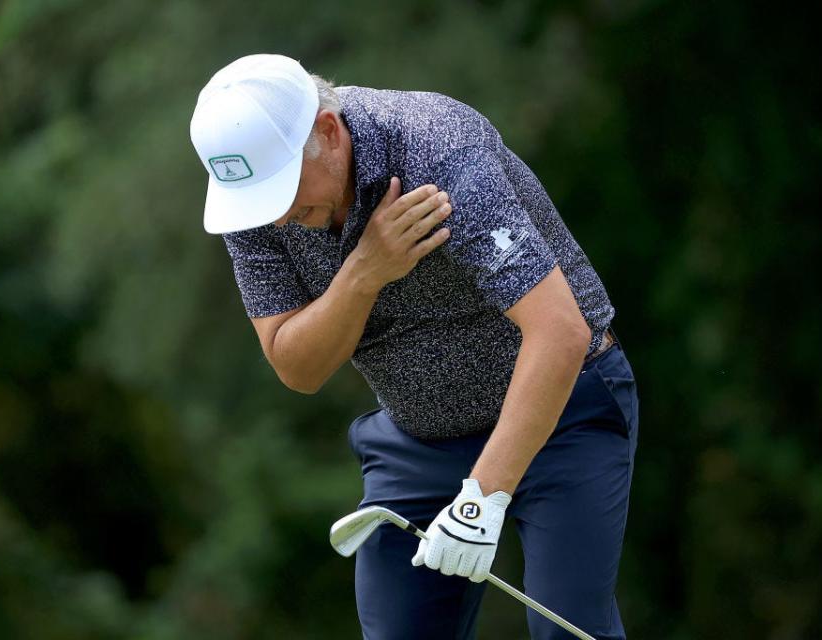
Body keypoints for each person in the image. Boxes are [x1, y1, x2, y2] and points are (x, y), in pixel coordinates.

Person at [189, 53, 639, 640]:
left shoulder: (435, 145)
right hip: (418, 439)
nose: (275, 220)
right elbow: (297, 364)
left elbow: (560, 330)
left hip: (562, 413)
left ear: (328, 131)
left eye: (284, 190)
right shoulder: (256, 202)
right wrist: (363, 274)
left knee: (569, 630)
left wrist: (481, 500)